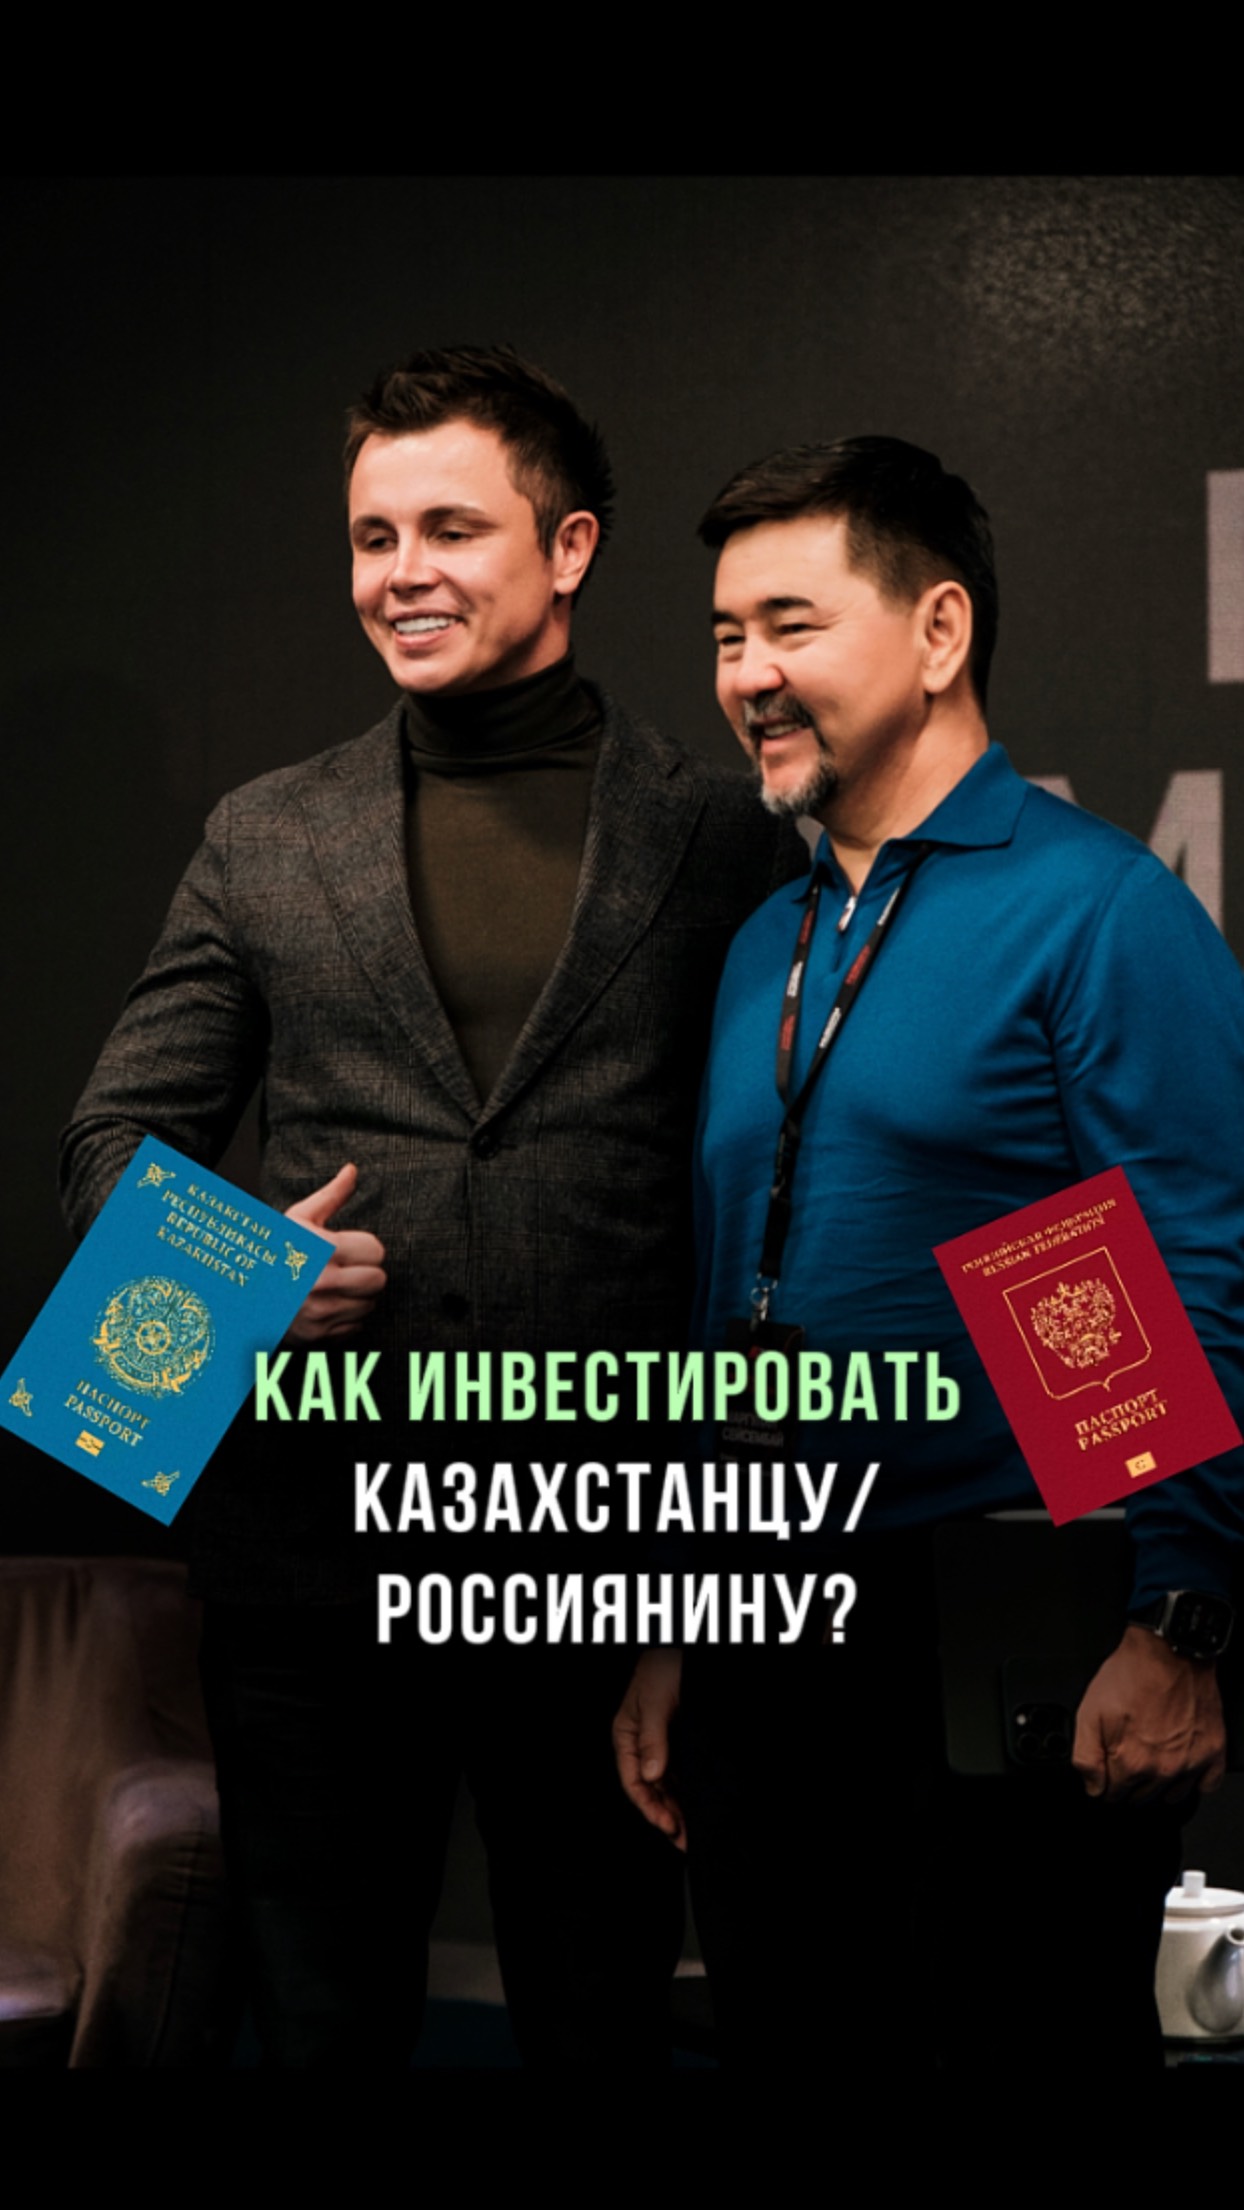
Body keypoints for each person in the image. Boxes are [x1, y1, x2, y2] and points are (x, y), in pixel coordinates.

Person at [59, 345, 804, 2068]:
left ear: (570, 545)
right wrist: (244, 1269)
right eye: (372, 535)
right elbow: (113, 1135)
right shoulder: (264, 834)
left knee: (603, 2025)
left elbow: (787, 1184)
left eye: (451, 528)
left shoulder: (724, 841)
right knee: (321, 2029)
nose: (402, 572)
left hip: (608, 1566)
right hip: (314, 1565)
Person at [614, 435, 1244, 2072]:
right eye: (726, 635)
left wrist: (1178, 1623)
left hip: (998, 1636)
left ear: (940, 630)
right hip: (762, 1624)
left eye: (792, 625)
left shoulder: (1096, 910)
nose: (746, 674)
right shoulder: (769, 936)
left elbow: (1194, 1272)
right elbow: (721, 1294)